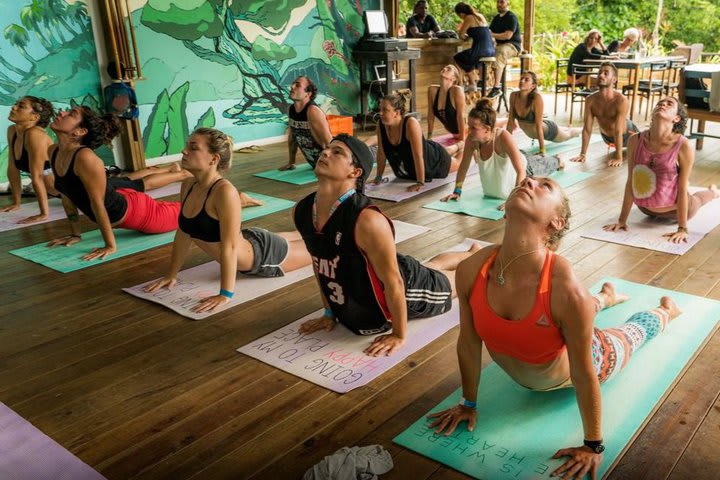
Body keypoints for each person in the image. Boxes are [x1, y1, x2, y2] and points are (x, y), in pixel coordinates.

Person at [428, 174, 683, 480]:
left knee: (632, 334)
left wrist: (594, 445)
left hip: (595, 356)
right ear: (506, 210)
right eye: (526, 180)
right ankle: (604, 297)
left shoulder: (565, 287)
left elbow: (585, 372)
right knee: (574, 310)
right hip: (557, 324)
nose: (528, 181)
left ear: (556, 223)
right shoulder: (472, 269)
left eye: (544, 185)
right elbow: (468, 342)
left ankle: (666, 311)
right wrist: (467, 402)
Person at [295, 134, 479, 356]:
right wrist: (328, 312)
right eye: (327, 148)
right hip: (383, 268)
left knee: (455, 282)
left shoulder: (367, 220)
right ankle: (469, 252)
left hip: (408, 288)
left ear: (355, 172)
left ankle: (482, 259)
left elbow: (394, 282)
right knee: (431, 267)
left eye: (337, 152)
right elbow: (320, 264)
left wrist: (399, 335)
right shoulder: (303, 210)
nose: (325, 153)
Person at [144, 128, 312, 313]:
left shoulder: (224, 191)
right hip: (251, 238)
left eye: (193, 147)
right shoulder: (188, 185)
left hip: (263, 257)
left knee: (320, 246)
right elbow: (184, 233)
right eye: (186, 146)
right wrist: (171, 275)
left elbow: (229, 247)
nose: (184, 151)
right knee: (305, 234)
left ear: (213, 159)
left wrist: (225, 294)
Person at [46, 106, 180, 261]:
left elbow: (98, 203)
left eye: (71, 114)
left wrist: (110, 245)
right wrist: (75, 234)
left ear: (80, 131)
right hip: (124, 198)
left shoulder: (85, 158)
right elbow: (66, 195)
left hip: (139, 213)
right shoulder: (53, 151)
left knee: (188, 213)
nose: (62, 113)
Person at [603, 97, 719, 244]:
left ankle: (713, 191)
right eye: (660, 103)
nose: (662, 104)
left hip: (676, 211)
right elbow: (630, 182)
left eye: (669, 104)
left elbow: (682, 189)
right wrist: (621, 221)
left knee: (700, 198)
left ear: (676, 118)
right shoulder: (635, 141)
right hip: (645, 209)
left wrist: (682, 228)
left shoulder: (683, 145)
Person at [442, 98, 561, 208]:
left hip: (528, 168)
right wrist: (457, 191)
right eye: (469, 125)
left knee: (551, 164)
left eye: (474, 127)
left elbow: (521, 171)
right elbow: (464, 166)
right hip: (510, 160)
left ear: (487, 129)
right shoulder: (472, 140)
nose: (469, 130)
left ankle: (558, 160)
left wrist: (512, 200)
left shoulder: (503, 137)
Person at [371, 93, 460, 192]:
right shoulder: (381, 124)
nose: (381, 113)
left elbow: (418, 155)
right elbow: (381, 152)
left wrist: (420, 182)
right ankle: (459, 145)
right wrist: (378, 176)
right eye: (380, 109)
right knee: (447, 150)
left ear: (397, 112)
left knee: (459, 163)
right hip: (418, 158)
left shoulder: (410, 123)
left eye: (385, 110)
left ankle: (464, 147)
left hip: (432, 161)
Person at [1, 96, 59, 224]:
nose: (13, 107)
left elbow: (37, 176)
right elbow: (13, 168)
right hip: (54, 191)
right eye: (16, 103)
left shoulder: (35, 135)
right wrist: (16, 203)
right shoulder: (12, 131)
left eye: (21, 106)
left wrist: (43, 214)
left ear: (34, 117)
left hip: (73, 189)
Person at [570, 62, 639, 167]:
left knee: (649, 146)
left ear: (614, 80)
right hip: (607, 138)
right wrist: (582, 154)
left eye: (606, 73)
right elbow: (587, 129)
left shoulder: (621, 100)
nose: (601, 75)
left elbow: (618, 130)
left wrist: (618, 157)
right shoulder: (590, 100)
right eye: (600, 73)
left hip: (628, 134)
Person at [507, 71, 582, 152]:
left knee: (569, 134)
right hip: (541, 126)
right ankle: (567, 128)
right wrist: (507, 145)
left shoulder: (536, 98)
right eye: (521, 78)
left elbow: (538, 125)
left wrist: (542, 149)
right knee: (564, 129)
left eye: (526, 80)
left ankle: (582, 129)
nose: (522, 81)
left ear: (533, 86)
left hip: (549, 131)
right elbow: (510, 122)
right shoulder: (513, 96)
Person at [280, 76, 332, 171]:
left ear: (307, 94)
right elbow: (293, 137)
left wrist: (335, 168)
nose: (292, 87)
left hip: (329, 164)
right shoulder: (292, 109)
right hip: (316, 164)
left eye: (297, 85)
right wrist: (291, 162)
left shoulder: (313, 111)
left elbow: (328, 142)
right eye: (293, 84)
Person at [427, 65, 467, 161]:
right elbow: (430, 114)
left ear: (454, 78)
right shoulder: (432, 90)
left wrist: (462, 141)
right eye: (444, 68)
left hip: (468, 131)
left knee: (496, 124)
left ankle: (507, 118)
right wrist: (429, 136)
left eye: (448, 69)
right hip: (454, 133)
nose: (444, 69)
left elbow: (460, 116)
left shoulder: (456, 90)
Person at [452, 3, 493, 93]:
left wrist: (464, 34)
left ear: (461, 14)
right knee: (467, 59)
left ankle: (462, 85)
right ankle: (472, 84)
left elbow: (461, 35)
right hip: (490, 49)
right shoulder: (480, 16)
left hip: (480, 50)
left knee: (457, 58)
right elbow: (480, 32)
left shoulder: (468, 18)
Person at [487, 0, 521, 98]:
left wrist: (492, 35)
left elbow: (507, 36)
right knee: (485, 52)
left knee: (500, 52)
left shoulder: (511, 17)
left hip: (513, 46)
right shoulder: (496, 18)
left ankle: (496, 88)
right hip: (499, 45)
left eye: (502, 2)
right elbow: (489, 32)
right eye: (498, 2)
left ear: (508, 3)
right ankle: (483, 80)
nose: (499, 4)